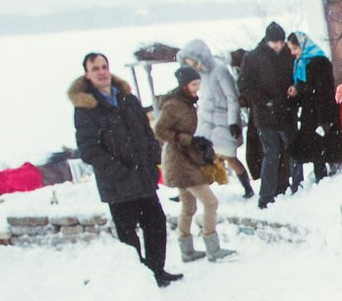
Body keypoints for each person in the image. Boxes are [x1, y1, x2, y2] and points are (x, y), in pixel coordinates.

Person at [70, 52, 180, 287]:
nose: (101, 72)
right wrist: (119, 171)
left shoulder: (127, 99)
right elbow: (89, 150)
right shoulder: (86, 109)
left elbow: (146, 132)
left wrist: (152, 160)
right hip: (118, 186)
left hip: (143, 179)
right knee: (129, 239)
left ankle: (156, 271)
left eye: (104, 66)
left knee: (156, 227)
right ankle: (139, 282)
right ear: (87, 75)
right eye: (95, 68)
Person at [155, 66, 237, 264]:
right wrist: (188, 140)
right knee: (210, 202)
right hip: (180, 162)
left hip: (186, 158)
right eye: (194, 85)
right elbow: (160, 130)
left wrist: (198, 141)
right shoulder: (174, 105)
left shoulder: (187, 103)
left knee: (188, 206)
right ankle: (212, 247)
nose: (197, 89)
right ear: (184, 85)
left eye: (198, 84)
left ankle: (187, 251)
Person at [180, 37, 252, 199]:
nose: (194, 67)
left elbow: (231, 98)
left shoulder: (219, 70)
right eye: (190, 64)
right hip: (205, 119)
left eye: (195, 63)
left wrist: (233, 122)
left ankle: (247, 187)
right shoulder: (198, 76)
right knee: (195, 154)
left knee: (228, 155)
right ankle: (189, 192)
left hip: (223, 119)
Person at [238, 22, 297, 208]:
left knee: (293, 150)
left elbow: (294, 75)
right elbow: (244, 86)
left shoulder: (288, 53)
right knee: (271, 154)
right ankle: (265, 197)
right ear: (267, 41)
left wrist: (293, 93)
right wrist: (264, 101)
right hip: (265, 114)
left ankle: (295, 186)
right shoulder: (253, 57)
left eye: (281, 42)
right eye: (275, 43)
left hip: (286, 110)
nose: (279, 46)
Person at [287, 31, 342, 187]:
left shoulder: (318, 62)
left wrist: (323, 118)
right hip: (310, 111)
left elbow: (322, 90)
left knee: (323, 143)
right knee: (316, 147)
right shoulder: (301, 64)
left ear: (302, 45)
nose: (294, 53)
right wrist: (296, 93)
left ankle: (330, 173)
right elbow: (307, 89)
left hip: (321, 110)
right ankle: (321, 176)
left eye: (295, 49)